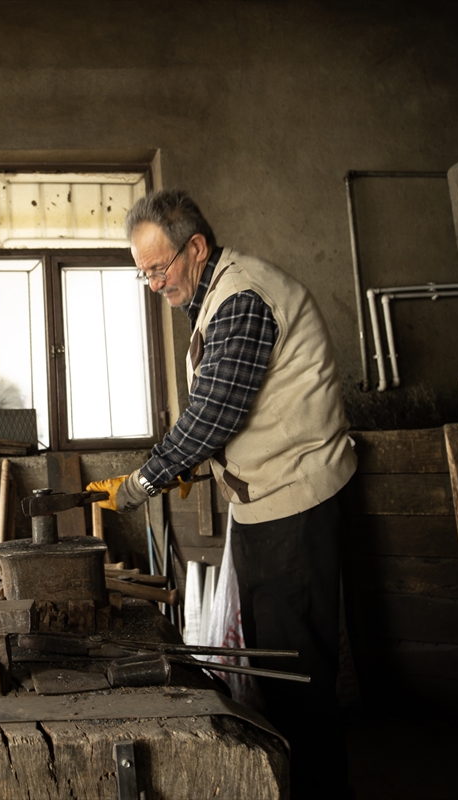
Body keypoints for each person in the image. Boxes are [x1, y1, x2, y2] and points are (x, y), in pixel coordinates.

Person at [88, 189, 356, 798]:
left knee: (298, 678)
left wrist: (140, 483)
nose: (153, 284)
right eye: (143, 274)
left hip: (297, 502)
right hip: (264, 507)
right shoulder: (212, 299)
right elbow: (230, 412)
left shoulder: (241, 297)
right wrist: (194, 465)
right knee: (273, 672)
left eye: (159, 268)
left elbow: (213, 414)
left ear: (197, 248)